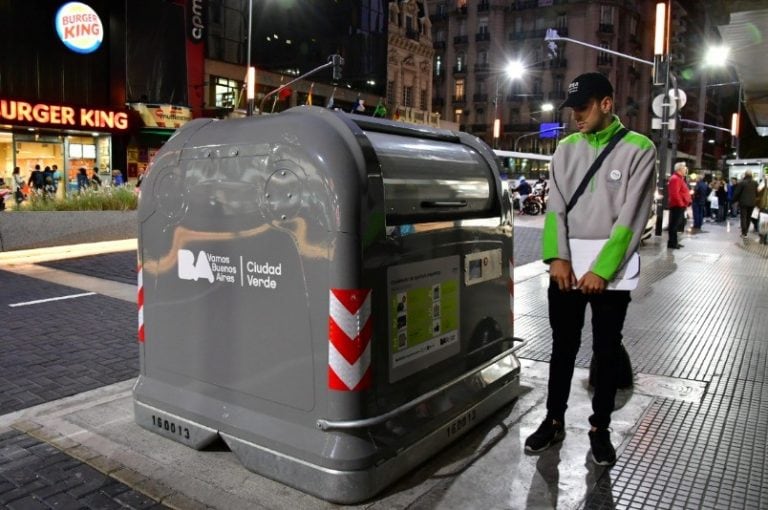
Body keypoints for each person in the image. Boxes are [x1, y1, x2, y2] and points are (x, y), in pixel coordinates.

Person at [525, 72, 655, 466]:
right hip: (566, 271)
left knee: (606, 350)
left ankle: (600, 428)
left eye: (582, 108)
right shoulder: (565, 149)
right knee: (562, 348)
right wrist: (557, 258)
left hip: (609, 276)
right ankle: (553, 418)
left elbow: (632, 216)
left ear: (606, 104)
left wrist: (603, 270)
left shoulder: (639, 148)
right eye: (572, 110)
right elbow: (555, 210)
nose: (575, 117)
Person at [667, 162, 691, 249]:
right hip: (677, 205)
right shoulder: (675, 179)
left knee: (676, 225)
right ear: (679, 169)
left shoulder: (679, 178)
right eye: (684, 168)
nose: (686, 169)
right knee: (674, 225)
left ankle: (674, 242)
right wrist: (681, 203)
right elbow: (674, 193)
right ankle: (672, 243)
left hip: (680, 205)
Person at [732, 171, 758, 238]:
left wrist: (733, 200)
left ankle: (744, 233)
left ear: (745, 175)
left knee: (743, 217)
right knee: (748, 217)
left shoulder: (742, 183)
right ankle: (746, 232)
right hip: (752, 203)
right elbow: (757, 193)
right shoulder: (755, 183)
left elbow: (737, 193)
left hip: (743, 203)